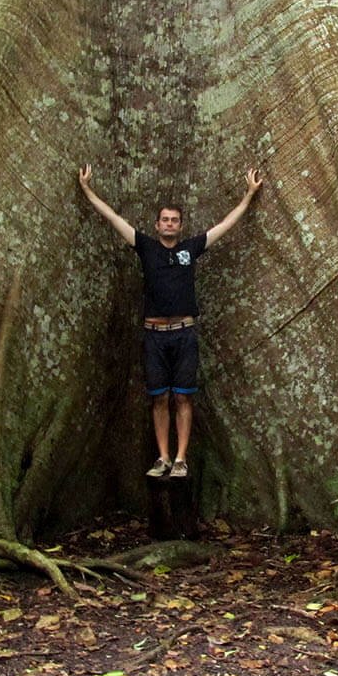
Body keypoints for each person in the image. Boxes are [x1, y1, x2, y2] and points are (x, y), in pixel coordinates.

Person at [79, 165, 263, 478]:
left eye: (174, 220)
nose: (169, 224)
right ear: (157, 224)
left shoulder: (190, 248)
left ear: (180, 226)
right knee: (159, 397)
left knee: (183, 396)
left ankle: (180, 458)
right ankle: (162, 457)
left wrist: (248, 197)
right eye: (165, 219)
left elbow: (224, 225)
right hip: (154, 335)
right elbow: (113, 217)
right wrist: (87, 189)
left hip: (183, 334)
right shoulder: (145, 246)